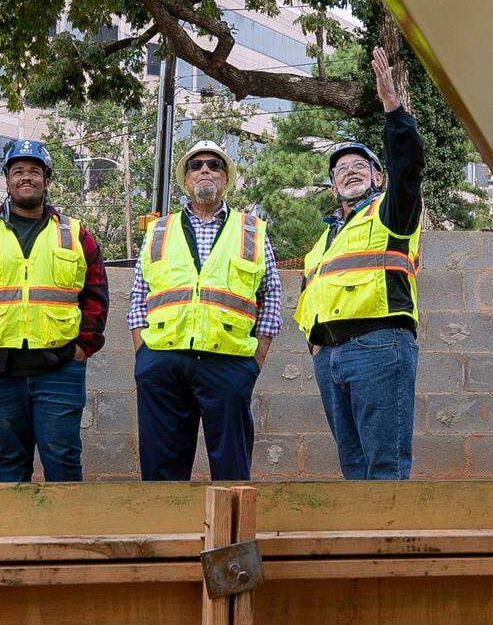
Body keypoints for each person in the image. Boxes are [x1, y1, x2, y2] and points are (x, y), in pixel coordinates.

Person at [0, 139, 109, 481]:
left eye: (34, 171)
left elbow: (95, 294)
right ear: (7, 179)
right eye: (18, 170)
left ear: (47, 179)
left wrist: (83, 347)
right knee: (11, 464)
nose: (26, 177)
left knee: (63, 462)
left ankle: (63, 535)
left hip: (59, 369)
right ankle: (18, 535)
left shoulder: (74, 234)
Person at [295, 46, 424, 479]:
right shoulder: (323, 241)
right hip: (330, 356)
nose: (349, 171)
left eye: (359, 166)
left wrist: (393, 110)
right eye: (340, 170)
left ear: (377, 176)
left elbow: (408, 170)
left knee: (384, 466)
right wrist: (314, 346)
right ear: (333, 187)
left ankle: (386, 547)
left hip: (379, 346)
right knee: (353, 469)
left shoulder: (391, 212)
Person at [128, 141, 281, 481]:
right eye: (196, 165)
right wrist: (144, 355)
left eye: (215, 164)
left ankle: (231, 536)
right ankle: (168, 531)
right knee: (161, 465)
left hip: (228, 362)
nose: (205, 170)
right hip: (163, 361)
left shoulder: (252, 230)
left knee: (232, 469)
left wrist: (255, 361)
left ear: (226, 179)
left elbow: (271, 294)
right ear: (186, 181)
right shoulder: (159, 230)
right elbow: (139, 291)